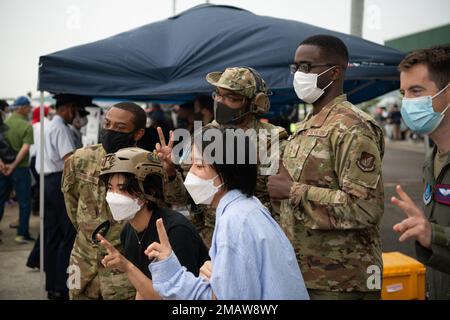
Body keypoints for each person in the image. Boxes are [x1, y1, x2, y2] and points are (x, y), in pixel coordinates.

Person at [268, 35, 385, 300]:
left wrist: (293, 190)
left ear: (335, 72)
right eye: (295, 67)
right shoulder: (310, 124)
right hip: (306, 275)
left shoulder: (352, 127)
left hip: (344, 281)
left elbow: (366, 207)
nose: (299, 74)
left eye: (307, 67)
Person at [146, 127, 309, 300]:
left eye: (200, 166)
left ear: (226, 173)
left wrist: (170, 272)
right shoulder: (249, 208)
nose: (191, 173)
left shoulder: (234, 222)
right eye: (191, 164)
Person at [62, 102, 187, 300]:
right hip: (83, 262)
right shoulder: (80, 159)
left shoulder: (148, 163)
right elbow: (71, 203)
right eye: (108, 124)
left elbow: (179, 199)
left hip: (125, 269)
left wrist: (170, 171)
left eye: (120, 128)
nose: (111, 131)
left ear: (137, 134)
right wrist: (88, 230)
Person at [165, 67, 288, 248]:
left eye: (232, 98)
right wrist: (170, 173)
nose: (221, 102)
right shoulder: (203, 137)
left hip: (253, 239)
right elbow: (182, 197)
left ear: (255, 102)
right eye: (218, 95)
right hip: (210, 239)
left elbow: (283, 206)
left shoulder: (273, 141)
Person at [97, 147, 209, 299]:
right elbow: (142, 289)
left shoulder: (176, 231)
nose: (113, 196)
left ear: (148, 192)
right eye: (110, 188)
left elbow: (176, 297)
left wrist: (127, 267)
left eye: (122, 189)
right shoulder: (128, 232)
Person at [391, 45, 450, 299]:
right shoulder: (432, 160)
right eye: (404, 93)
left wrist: (431, 234)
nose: (408, 102)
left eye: (417, 91)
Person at [35, 94, 88, 299]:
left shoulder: (47, 125)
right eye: (73, 110)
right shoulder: (60, 128)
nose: (75, 115)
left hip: (46, 181)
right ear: (66, 108)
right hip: (58, 181)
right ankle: (61, 286)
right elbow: (70, 160)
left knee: (52, 235)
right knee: (67, 235)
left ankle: (52, 285)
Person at [0, 96, 34, 244]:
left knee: (0, 201)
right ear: (22, 107)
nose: (30, 109)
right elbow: (25, 148)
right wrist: (13, 165)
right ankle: (22, 234)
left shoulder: (4, 123)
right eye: (29, 106)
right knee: (25, 202)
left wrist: (2, 164)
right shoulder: (26, 126)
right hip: (20, 169)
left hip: (2, 169)